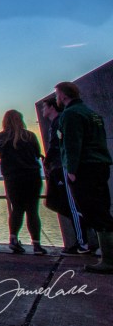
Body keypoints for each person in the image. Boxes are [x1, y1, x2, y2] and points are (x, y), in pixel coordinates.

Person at [55, 81, 113, 274]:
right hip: (100, 165)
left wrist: (71, 170)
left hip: (84, 169)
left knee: (94, 211)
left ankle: (109, 260)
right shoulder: (92, 114)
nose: (56, 99)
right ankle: (107, 256)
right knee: (102, 208)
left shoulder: (70, 114)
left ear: (63, 95)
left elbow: (71, 143)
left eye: (57, 95)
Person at [40, 97, 92, 254]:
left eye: (44, 107)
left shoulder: (59, 122)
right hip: (59, 167)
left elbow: (58, 144)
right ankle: (85, 237)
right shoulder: (56, 123)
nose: (43, 110)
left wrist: (47, 160)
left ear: (51, 107)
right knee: (61, 203)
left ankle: (83, 243)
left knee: (72, 204)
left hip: (63, 167)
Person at [0, 110, 47, 255]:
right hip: (31, 175)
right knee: (32, 209)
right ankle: (37, 245)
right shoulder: (29, 135)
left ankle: (13, 239)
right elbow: (37, 153)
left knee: (17, 208)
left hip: (12, 177)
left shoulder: (1, 137)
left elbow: (2, 154)